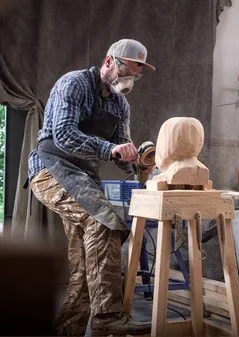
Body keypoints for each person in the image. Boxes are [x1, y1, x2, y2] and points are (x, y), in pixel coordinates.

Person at [26, 38, 156, 336]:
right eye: (127, 73)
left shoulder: (120, 105)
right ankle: (107, 316)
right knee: (103, 221)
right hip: (51, 168)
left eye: (136, 76)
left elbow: (122, 152)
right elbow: (63, 135)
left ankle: (67, 331)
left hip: (84, 178)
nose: (130, 80)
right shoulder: (73, 84)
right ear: (109, 62)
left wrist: (140, 162)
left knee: (85, 265)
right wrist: (110, 149)